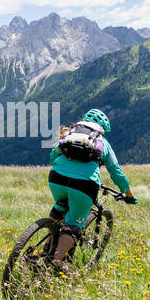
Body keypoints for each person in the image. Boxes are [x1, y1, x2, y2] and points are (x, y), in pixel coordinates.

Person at [48, 108, 135, 270]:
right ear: (101, 128)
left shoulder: (70, 135)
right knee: (74, 224)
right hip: (84, 185)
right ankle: (54, 264)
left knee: (58, 210)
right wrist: (129, 195)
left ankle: (46, 250)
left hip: (56, 178)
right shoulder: (103, 143)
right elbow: (117, 173)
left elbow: (53, 157)